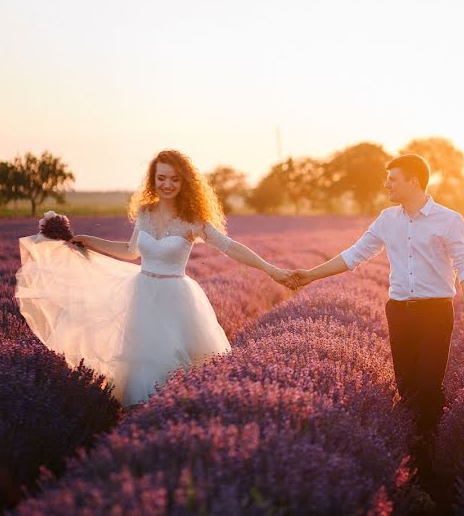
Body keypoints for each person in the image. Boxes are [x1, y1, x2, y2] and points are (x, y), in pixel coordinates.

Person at [15, 149, 296, 407]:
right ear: (153, 179)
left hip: (176, 300)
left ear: (185, 182)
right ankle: (140, 423)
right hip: (142, 295)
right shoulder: (146, 213)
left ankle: (173, 421)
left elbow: (231, 247)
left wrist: (271, 270)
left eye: (174, 179)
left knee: (172, 366)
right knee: (142, 367)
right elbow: (130, 251)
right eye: (161, 178)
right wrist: (88, 241)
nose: (167, 184)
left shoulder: (193, 219)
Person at [289, 153, 464, 485]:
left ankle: (429, 459)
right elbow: (354, 255)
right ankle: (410, 457)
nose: (386, 184)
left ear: (414, 182)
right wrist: (309, 275)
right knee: (406, 387)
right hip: (399, 312)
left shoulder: (449, 220)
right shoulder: (387, 219)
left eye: (392, 179)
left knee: (429, 386)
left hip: (435, 312)